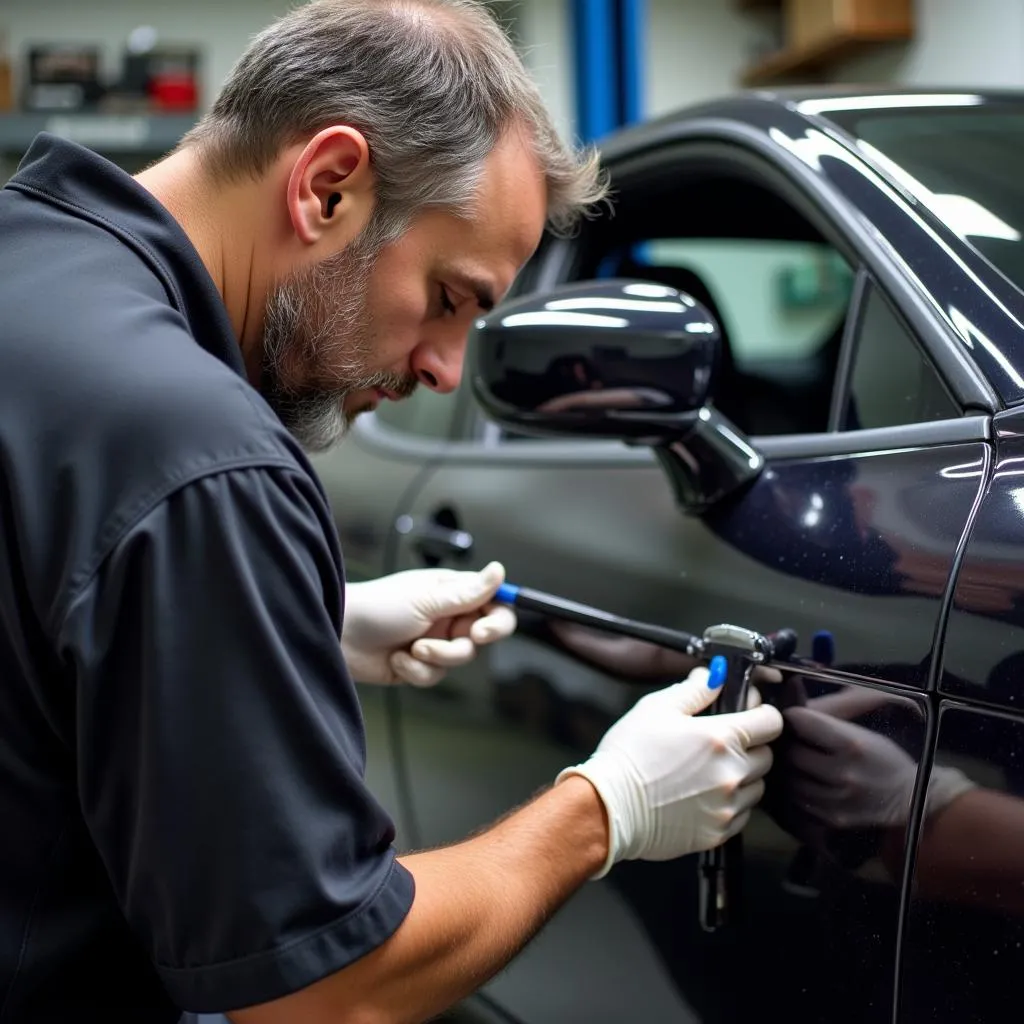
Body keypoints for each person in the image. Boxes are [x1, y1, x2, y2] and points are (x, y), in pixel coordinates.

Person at [0, 1, 783, 1020]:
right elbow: (324, 992)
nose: (445, 367)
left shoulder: (31, 263)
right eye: (449, 298)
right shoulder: (200, 451)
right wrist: (605, 807)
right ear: (328, 187)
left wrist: (298, 621)